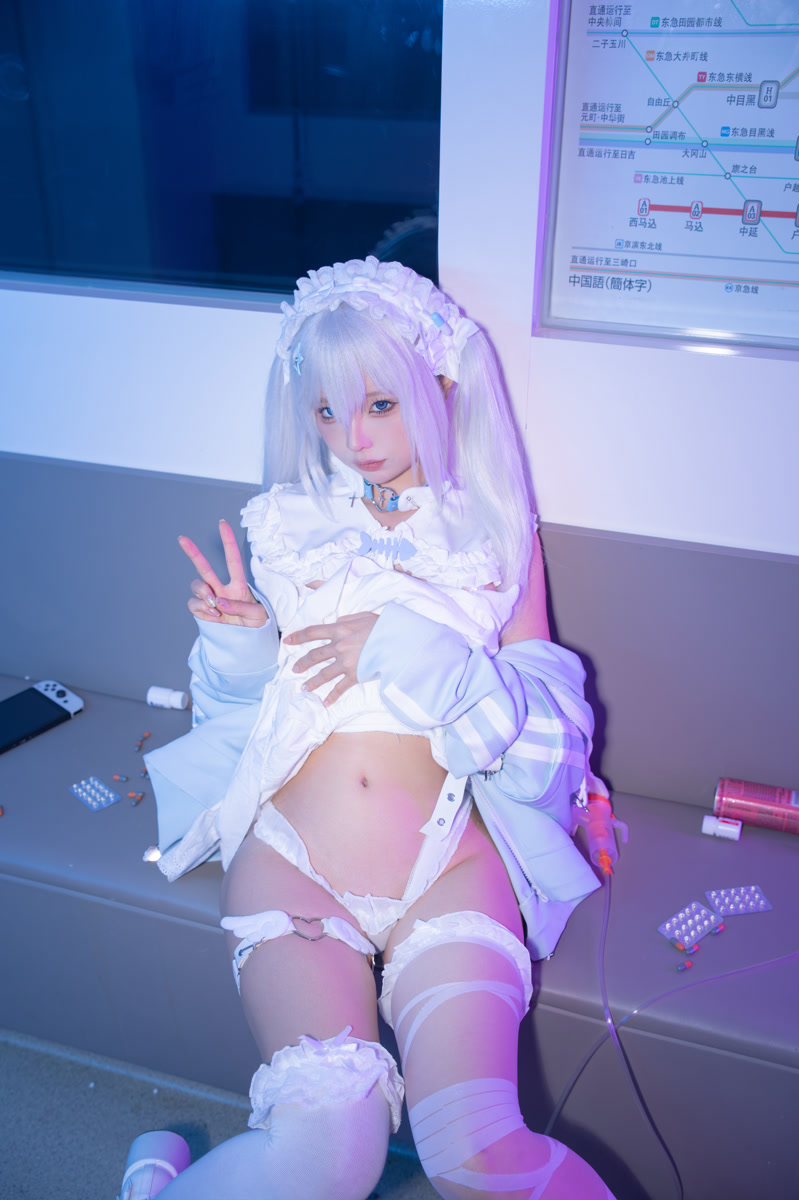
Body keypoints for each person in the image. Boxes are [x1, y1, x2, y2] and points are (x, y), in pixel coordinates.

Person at [120, 258, 615, 1200]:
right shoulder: (289, 524)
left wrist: (420, 655)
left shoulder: (495, 533)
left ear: (439, 388)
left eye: (380, 404)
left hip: (450, 867)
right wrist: (239, 640)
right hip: (296, 860)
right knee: (329, 1151)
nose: (354, 438)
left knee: (477, 1154)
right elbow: (244, 719)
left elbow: (548, 740)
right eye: (326, 411)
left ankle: (155, 1178)